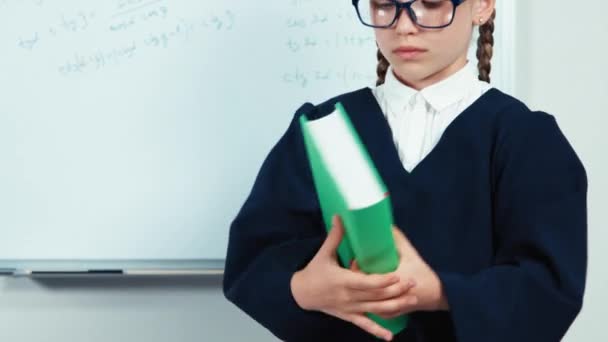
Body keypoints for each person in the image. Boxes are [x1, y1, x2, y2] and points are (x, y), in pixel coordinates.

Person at [223, 1, 588, 341]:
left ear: (481, 6)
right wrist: (303, 289)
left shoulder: (525, 139)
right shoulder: (325, 129)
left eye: (430, 4)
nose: (404, 27)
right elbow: (252, 263)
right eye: (385, 5)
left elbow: (548, 290)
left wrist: (437, 292)